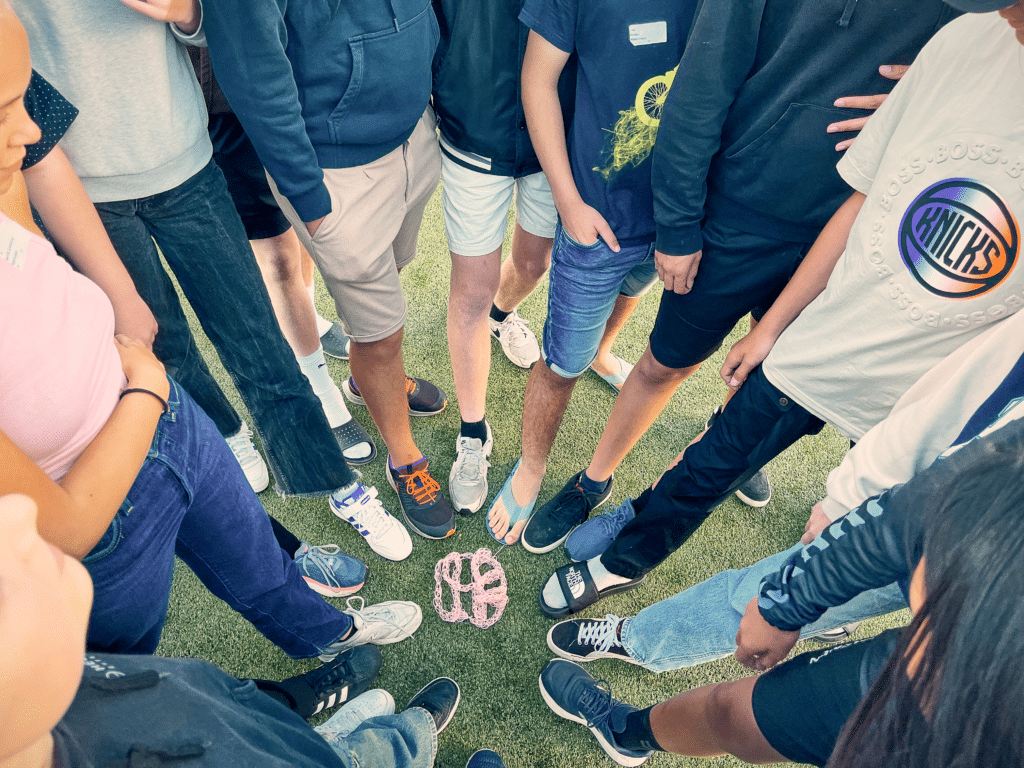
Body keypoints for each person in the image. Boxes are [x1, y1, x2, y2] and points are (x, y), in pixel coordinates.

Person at [536, 1, 1024, 616]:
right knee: (672, 369)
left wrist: (912, 108)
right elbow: (703, 81)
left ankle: (683, 483)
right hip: (747, 216)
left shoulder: (974, 28)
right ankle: (597, 483)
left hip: (880, 283)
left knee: (758, 421)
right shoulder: (979, 29)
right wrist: (680, 224)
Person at [0, 4, 419, 659]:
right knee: (170, 356)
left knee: (259, 346)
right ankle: (234, 442)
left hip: (185, 164)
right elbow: (38, 147)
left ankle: (340, 488)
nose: (20, 127)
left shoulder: (20, 135)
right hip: (89, 200)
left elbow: (218, 23)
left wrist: (186, 10)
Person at [546, 298, 1024, 670]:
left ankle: (639, 641)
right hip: (834, 357)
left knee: (794, 588)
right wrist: (770, 328)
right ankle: (626, 562)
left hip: (963, 531)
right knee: (713, 463)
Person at [538, 402, 1024, 767]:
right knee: (734, 707)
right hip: (944, 654)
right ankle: (628, 720)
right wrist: (790, 605)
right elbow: (919, 509)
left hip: (994, 725)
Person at [200, 0, 458, 541]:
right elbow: (253, 73)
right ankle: (404, 458)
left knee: (391, 283)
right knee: (380, 331)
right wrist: (310, 200)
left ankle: (373, 382)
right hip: (337, 171)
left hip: (414, 135)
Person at [0, 492, 462, 768]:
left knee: (231, 702)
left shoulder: (53, 685)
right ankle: (402, 741)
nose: (19, 506)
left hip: (97, 710)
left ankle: (313, 722)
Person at [484, 0, 700, 547]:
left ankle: (603, 352)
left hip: (680, 223)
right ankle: (532, 465)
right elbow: (537, 80)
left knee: (631, 292)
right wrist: (568, 201)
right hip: (598, 218)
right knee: (561, 365)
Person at [187, 46, 375, 465]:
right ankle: (320, 390)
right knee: (278, 258)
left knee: (307, 222)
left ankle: (311, 316)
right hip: (225, 104)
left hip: (295, 83)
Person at [432, 0, 564, 514]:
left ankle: (501, 317)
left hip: (554, 135)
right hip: (471, 129)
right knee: (471, 290)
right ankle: (473, 433)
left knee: (533, 264)